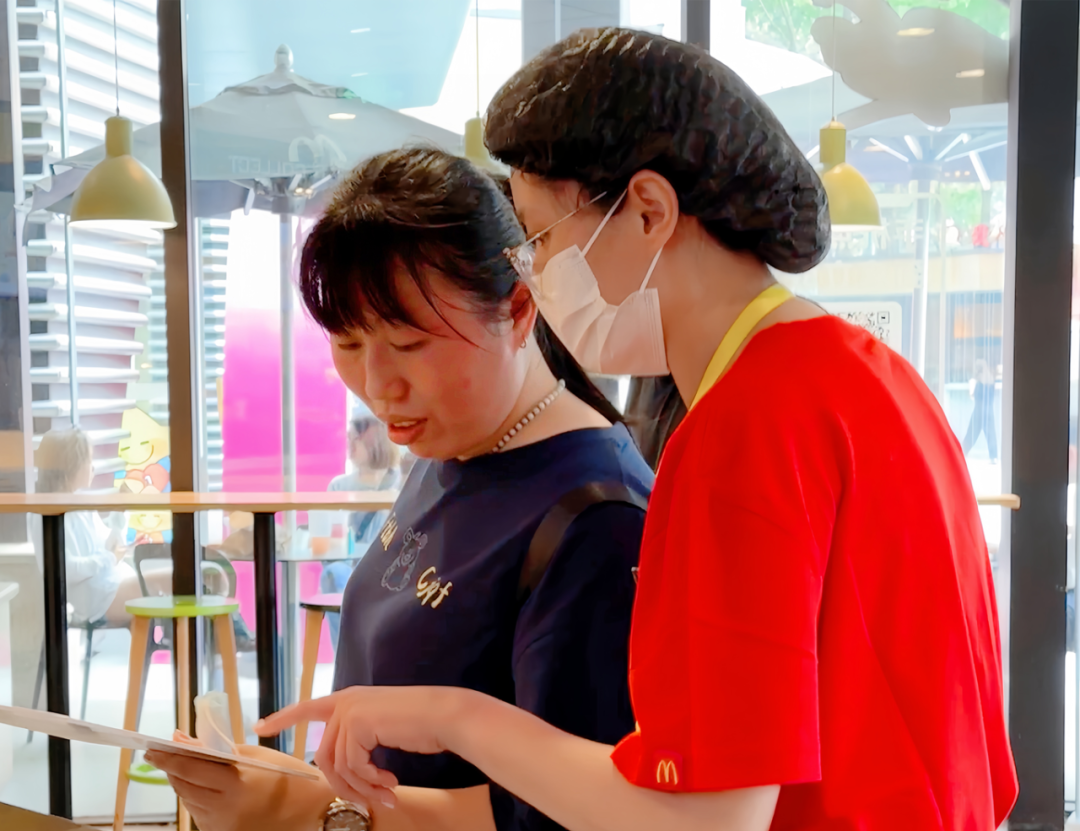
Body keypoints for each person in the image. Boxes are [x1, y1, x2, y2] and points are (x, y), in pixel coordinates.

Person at [249, 27, 1017, 831]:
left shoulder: (741, 428)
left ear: (649, 210)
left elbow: (708, 820)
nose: (536, 278)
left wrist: (452, 717)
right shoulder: (871, 374)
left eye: (541, 241)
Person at [146, 146, 653, 831]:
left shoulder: (597, 521)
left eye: (409, 344)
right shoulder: (448, 446)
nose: (378, 386)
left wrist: (310, 808)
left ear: (518, 309)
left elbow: (566, 816)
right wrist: (294, 789)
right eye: (348, 343)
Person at [35, 428, 172, 625]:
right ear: (71, 465)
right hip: (97, 598)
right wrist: (109, 558)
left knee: (173, 578)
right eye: (89, 460)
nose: (93, 467)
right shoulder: (44, 513)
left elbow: (109, 547)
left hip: (110, 584)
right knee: (174, 578)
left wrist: (120, 510)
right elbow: (66, 569)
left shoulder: (80, 502)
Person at [321, 412, 402, 647]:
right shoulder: (338, 486)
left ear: (374, 441)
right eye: (348, 439)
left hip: (389, 570)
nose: (349, 445)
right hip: (349, 568)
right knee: (335, 574)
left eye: (355, 439)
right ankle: (347, 657)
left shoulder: (401, 482)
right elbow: (325, 539)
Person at [962, 358, 999, 463]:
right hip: (988, 411)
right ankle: (993, 457)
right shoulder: (990, 379)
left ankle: (962, 452)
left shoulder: (979, 380)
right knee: (991, 434)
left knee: (971, 433)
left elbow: (973, 396)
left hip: (979, 411)